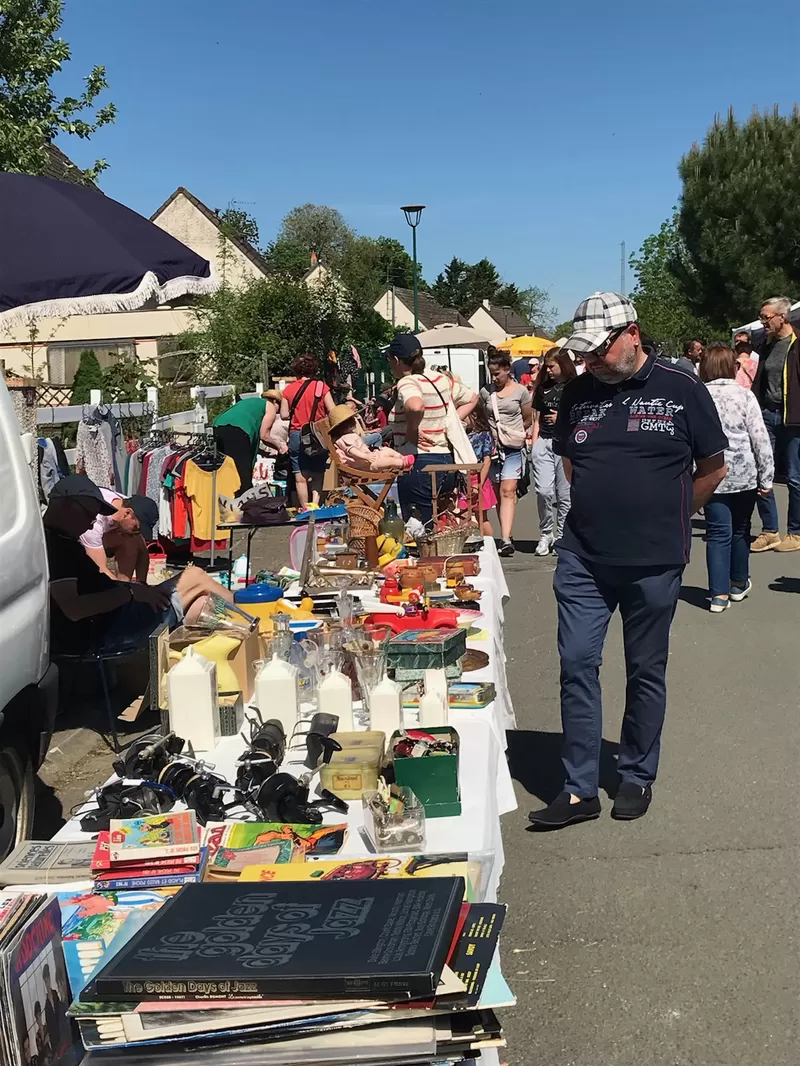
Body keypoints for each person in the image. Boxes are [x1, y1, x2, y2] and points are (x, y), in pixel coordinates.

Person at [528, 292, 727, 829]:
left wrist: (672, 512)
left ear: (632, 333)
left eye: (599, 350)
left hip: (655, 559)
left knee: (644, 670)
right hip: (584, 558)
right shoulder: (576, 394)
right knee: (576, 664)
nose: (590, 360)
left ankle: (636, 774)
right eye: (585, 352)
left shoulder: (681, 389)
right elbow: (571, 462)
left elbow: (712, 466)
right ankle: (578, 789)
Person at [43, 475, 236, 656]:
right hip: (112, 630)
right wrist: (131, 594)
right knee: (194, 575)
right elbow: (73, 608)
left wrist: (135, 588)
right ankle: (247, 612)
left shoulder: (60, 540)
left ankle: (240, 629)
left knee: (203, 604)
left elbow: (139, 552)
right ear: (68, 506)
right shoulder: (56, 547)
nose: (91, 525)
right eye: (89, 516)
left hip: (116, 620)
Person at [699, 344, 773, 612]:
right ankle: (738, 583)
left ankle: (718, 595)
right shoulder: (744, 395)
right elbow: (760, 438)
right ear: (733, 366)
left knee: (718, 533)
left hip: (711, 474)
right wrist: (767, 476)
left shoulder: (698, 396)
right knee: (741, 530)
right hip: (744, 474)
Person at [386, 333, 477, 524]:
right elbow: (472, 398)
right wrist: (448, 422)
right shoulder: (440, 379)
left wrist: (412, 430)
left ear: (395, 360)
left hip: (419, 464)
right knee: (440, 529)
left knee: (419, 532)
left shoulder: (408, 382)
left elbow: (416, 405)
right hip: (447, 462)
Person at [750, 296, 800, 551]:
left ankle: (796, 532)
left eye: (766, 317)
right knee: (763, 471)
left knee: (794, 476)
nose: (763, 321)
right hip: (767, 414)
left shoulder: (797, 343)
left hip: (793, 417)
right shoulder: (764, 344)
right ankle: (770, 530)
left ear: (783, 316)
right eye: (761, 317)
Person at [51, 479, 158, 583]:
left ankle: (126, 584)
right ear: (127, 513)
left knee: (133, 541)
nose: (137, 532)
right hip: (65, 541)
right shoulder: (96, 521)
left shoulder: (127, 504)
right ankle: (123, 591)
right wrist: (128, 592)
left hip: (103, 535)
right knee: (129, 541)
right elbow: (100, 569)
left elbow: (143, 552)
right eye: (136, 528)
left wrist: (142, 585)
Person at [480, 350, 533, 557]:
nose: (494, 378)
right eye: (491, 374)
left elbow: (527, 418)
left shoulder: (521, 392)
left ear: (507, 370)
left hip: (513, 447)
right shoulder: (486, 392)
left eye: (497, 374)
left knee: (508, 490)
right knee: (498, 494)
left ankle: (505, 538)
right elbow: (484, 416)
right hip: (493, 449)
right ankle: (505, 536)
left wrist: (515, 434)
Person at [530, 347, 576, 556]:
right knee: (544, 491)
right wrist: (534, 442)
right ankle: (545, 532)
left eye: (552, 366)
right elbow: (537, 418)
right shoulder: (543, 388)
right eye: (546, 366)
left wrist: (562, 419)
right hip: (544, 441)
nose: (547, 370)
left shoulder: (575, 387)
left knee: (565, 495)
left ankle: (562, 535)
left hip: (565, 444)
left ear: (563, 365)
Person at [279, 355, 335, 509]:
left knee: (300, 476)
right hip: (318, 434)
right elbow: (333, 411)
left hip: (297, 434)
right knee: (318, 473)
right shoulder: (321, 387)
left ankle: (304, 508)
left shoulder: (288, 390)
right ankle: (315, 505)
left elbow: (284, 415)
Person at [328, 404, 415, 472]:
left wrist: (370, 452)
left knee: (386, 450)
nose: (354, 421)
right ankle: (402, 462)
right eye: (351, 420)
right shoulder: (344, 439)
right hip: (365, 464)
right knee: (385, 461)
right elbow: (352, 451)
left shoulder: (350, 435)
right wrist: (366, 456)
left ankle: (401, 457)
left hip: (369, 458)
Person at [465, 404, 497, 536]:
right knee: (463, 515)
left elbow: (487, 460)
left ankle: (489, 545)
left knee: (481, 516)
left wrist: (479, 483)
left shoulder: (484, 435)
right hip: (463, 479)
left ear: (474, 415)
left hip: (479, 479)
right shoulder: (462, 434)